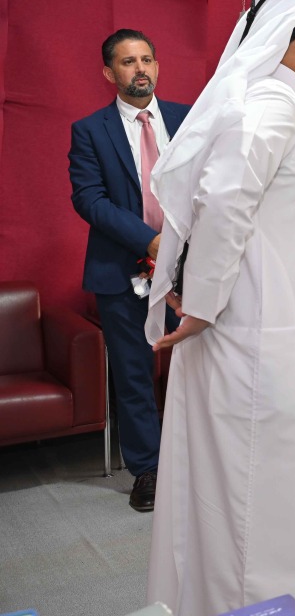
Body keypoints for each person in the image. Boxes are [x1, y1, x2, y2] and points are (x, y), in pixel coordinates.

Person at [143, 0, 295, 616]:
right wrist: (203, 303)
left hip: (290, 335)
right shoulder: (267, 103)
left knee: (289, 489)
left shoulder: (289, 105)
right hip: (259, 339)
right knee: (258, 498)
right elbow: (223, 201)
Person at [68, 29, 190, 512]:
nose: (139, 69)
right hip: (122, 272)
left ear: (157, 66)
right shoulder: (89, 130)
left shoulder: (187, 119)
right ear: (108, 72)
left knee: (200, 367)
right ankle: (149, 470)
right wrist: (150, 241)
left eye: (146, 60)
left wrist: (183, 245)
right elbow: (89, 199)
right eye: (126, 62)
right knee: (134, 374)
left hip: (191, 268)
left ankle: (198, 461)